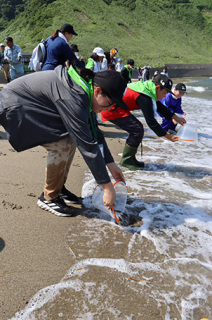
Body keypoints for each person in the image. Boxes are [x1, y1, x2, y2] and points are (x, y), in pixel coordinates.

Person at [0, 66, 128, 216]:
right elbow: (87, 144)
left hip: (28, 103)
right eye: (111, 103)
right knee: (61, 144)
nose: (110, 107)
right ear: (98, 91)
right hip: (15, 105)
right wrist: (107, 186)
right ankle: (49, 197)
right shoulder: (73, 97)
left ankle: (58, 187)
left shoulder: (85, 90)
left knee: (69, 138)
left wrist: (111, 164)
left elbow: (94, 130)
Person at [101, 74, 186, 170]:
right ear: (158, 88)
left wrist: (176, 117)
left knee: (137, 128)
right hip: (111, 109)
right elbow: (151, 122)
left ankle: (131, 159)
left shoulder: (149, 89)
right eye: (165, 93)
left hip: (118, 107)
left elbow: (160, 107)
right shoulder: (144, 96)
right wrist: (168, 136)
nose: (165, 96)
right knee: (137, 129)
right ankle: (127, 160)